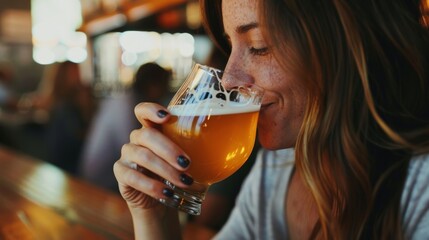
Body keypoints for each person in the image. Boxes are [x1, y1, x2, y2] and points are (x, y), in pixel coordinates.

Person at [113, 0, 429, 239]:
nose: (229, 79)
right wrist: (154, 217)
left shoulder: (420, 189)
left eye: (258, 46)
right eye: (231, 46)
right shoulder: (275, 173)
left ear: (344, 44)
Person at [79, 62, 171, 192]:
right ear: (153, 85)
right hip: (101, 182)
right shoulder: (126, 104)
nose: (166, 91)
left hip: (111, 177)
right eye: (165, 86)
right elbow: (132, 148)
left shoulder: (128, 99)